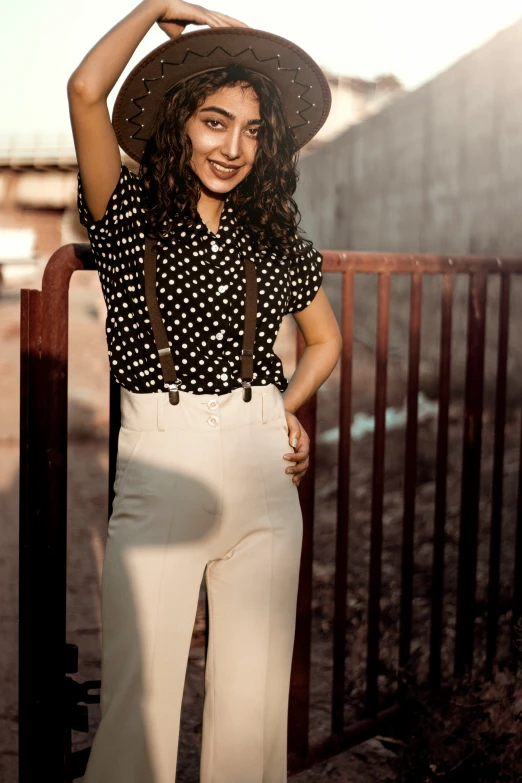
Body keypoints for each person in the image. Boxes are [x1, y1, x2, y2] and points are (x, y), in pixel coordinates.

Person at [67, 2, 342, 781]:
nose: (234, 147)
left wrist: (283, 414)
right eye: (215, 122)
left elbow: (325, 342)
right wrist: (157, 7)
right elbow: (87, 91)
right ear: (181, 122)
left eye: (253, 130)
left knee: (253, 726)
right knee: (137, 712)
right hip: (162, 464)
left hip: (263, 476)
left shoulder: (272, 232)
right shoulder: (127, 213)